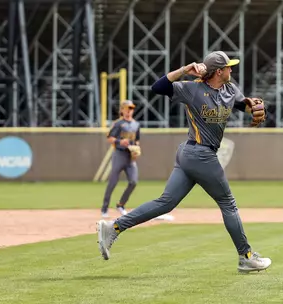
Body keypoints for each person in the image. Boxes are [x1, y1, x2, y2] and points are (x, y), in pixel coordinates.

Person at [96, 51, 271, 273]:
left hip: (191, 155)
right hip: (199, 153)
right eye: (228, 67)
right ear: (218, 71)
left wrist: (252, 107)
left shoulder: (230, 89)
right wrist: (183, 71)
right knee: (228, 204)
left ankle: (113, 228)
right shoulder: (192, 89)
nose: (231, 70)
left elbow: (241, 104)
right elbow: (157, 88)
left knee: (165, 203)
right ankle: (246, 257)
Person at [101, 100, 174, 221]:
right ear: (122, 110)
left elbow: (137, 140)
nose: (129, 110)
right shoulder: (118, 123)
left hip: (130, 155)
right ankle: (104, 208)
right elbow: (110, 138)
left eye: (131, 108)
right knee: (113, 182)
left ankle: (121, 205)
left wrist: (136, 149)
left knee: (133, 181)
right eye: (127, 108)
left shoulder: (136, 124)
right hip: (119, 154)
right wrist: (119, 142)